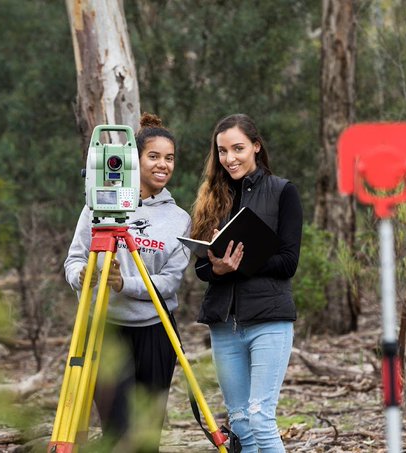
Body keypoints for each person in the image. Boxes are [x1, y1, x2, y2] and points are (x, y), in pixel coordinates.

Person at [63, 113, 191, 451]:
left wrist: (124, 285)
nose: (163, 165)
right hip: (106, 330)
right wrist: (83, 276)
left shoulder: (179, 219)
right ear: (134, 160)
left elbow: (168, 284)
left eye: (169, 158)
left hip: (155, 330)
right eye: (154, 156)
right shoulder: (97, 205)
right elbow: (74, 261)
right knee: (116, 430)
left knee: (147, 433)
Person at [191, 113, 303, 453]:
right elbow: (201, 268)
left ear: (256, 146)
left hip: (269, 320)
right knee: (239, 422)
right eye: (222, 151)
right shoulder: (212, 195)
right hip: (224, 325)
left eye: (238, 148)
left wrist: (239, 265)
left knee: (259, 418)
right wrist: (218, 269)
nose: (230, 158)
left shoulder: (283, 192)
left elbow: (288, 262)